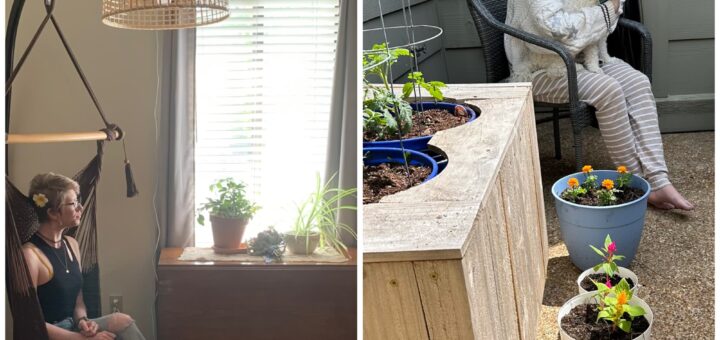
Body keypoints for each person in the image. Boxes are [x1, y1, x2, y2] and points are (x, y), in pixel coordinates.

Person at [504, 0, 694, 210]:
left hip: (585, 57)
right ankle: (637, 183)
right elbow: (557, 31)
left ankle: (659, 180)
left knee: (637, 83)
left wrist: (605, 11)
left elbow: (609, 19)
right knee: (607, 90)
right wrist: (606, 9)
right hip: (538, 66)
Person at [22, 173, 146, 340]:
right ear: (52, 213)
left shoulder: (71, 244)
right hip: (50, 334)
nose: (80, 208)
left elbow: (78, 300)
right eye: (73, 203)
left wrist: (83, 321)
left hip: (73, 326)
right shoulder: (31, 255)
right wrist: (83, 339)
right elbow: (31, 323)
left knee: (124, 322)